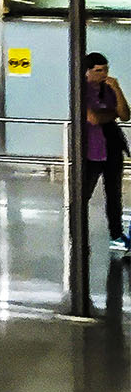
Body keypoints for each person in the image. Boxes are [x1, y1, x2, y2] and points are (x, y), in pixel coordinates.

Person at [83, 52, 131, 253]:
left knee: (114, 194)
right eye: (99, 70)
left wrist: (117, 89)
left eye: (106, 69)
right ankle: (78, 232)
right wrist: (111, 115)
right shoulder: (81, 91)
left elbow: (125, 115)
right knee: (83, 193)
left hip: (111, 147)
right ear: (87, 72)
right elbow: (92, 119)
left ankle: (116, 234)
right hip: (90, 149)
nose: (104, 74)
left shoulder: (109, 89)